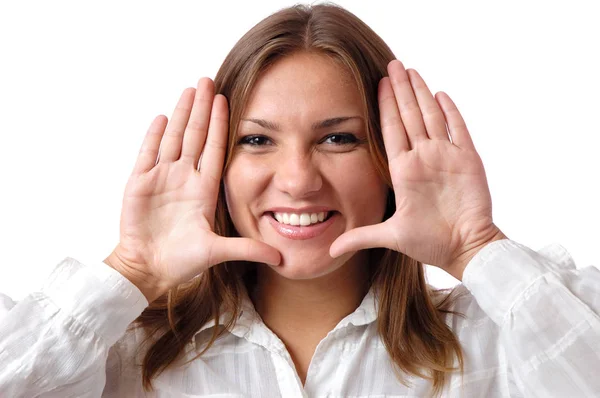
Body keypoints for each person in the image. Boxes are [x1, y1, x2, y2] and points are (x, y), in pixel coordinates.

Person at [1, 3, 598, 397]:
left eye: (339, 138)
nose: (298, 180)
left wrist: (477, 246)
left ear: (389, 160)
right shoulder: (119, 357)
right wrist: (131, 271)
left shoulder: (496, 341)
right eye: (257, 141)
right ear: (216, 167)